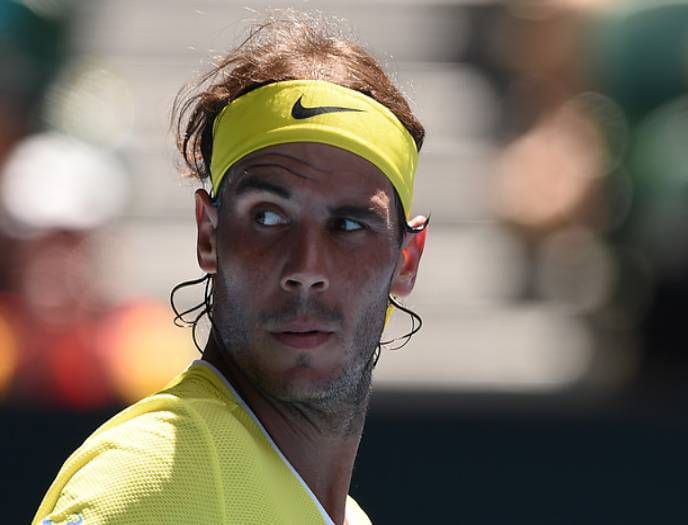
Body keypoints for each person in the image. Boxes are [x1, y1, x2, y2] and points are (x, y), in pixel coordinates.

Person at [33, 13, 428, 525]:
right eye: (268, 216)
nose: (306, 267)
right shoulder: (146, 485)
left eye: (349, 225)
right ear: (208, 234)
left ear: (406, 258)